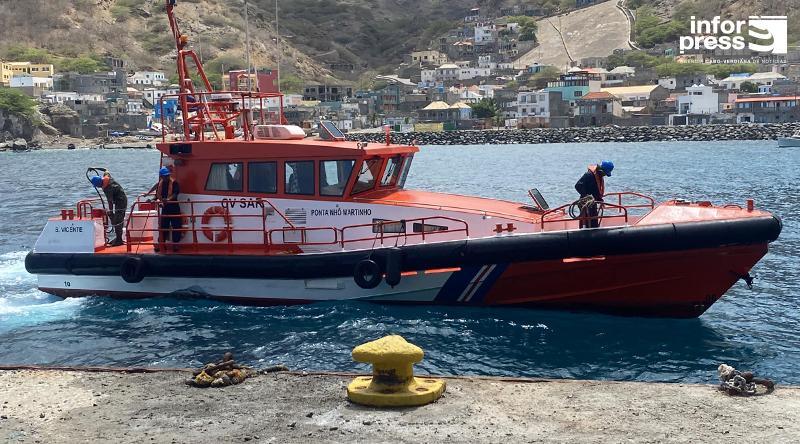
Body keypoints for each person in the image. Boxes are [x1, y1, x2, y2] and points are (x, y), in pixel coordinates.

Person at [91, 172, 128, 246]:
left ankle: (119, 240)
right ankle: (118, 237)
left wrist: (110, 211)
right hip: (121, 199)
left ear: (98, 184)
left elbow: (110, 201)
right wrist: (102, 169)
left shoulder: (108, 189)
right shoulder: (108, 178)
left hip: (121, 202)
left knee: (117, 220)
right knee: (117, 220)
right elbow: (106, 172)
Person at [574, 160, 614, 229]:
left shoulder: (598, 176)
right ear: (601, 170)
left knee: (594, 223)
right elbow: (578, 186)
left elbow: (595, 190)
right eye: (604, 174)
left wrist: (600, 199)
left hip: (593, 204)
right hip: (585, 204)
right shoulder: (589, 175)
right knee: (586, 223)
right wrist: (586, 196)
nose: (604, 175)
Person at [152, 166, 182, 251]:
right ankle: (161, 243)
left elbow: (176, 193)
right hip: (165, 208)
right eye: (165, 176)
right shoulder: (160, 184)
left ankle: (176, 244)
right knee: (163, 226)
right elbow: (157, 195)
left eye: (168, 175)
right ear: (161, 176)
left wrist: (168, 199)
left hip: (174, 207)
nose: (167, 177)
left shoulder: (174, 183)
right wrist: (152, 199)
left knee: (176, 226)